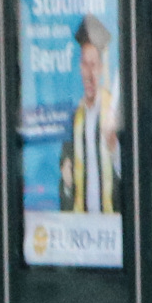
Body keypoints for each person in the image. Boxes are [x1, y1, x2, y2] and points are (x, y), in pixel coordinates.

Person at [57, 13, 119, 214]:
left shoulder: (114, 112)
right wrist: (66, 181)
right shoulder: (75, 119)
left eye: (94, 65)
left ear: (101, 69)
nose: (89, 74)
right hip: (82, 228)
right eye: (85, 64)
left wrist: (114, 147)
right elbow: (65, 182)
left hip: (112, 225)